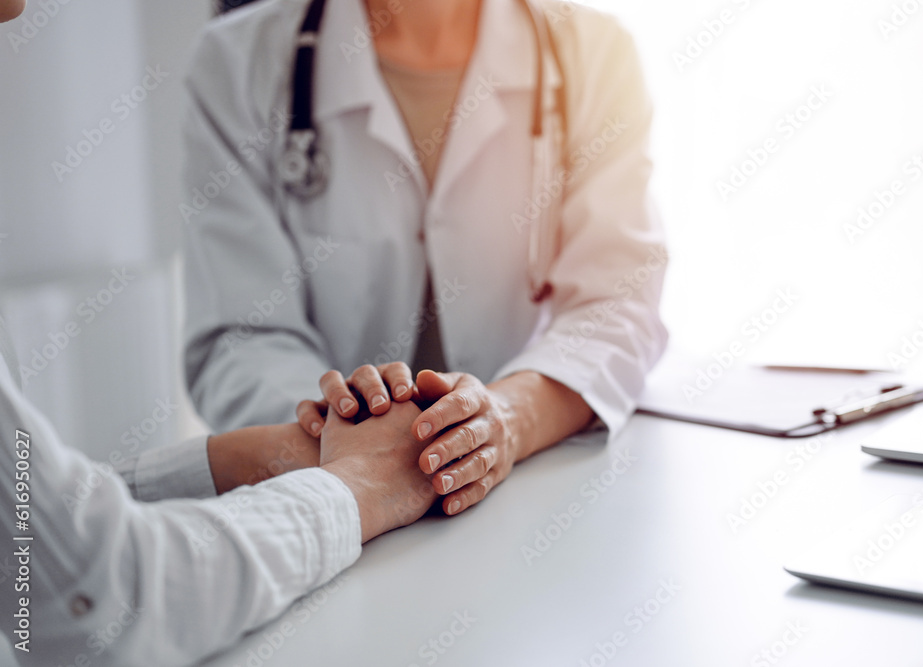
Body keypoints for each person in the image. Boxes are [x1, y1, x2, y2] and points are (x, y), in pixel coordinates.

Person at [0, 5, 436, 659]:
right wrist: (364, 479)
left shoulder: (586, 49)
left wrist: (252, 457)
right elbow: (88, 601)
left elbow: (30, 524)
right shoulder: (244, 56)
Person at [182, 0, 668, 518]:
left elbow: (616, 302)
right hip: (315, 503)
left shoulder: (594, 53)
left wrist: (505, 419)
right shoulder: (235, 62)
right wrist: (348, 439)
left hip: (533, 498)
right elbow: (242, 335)